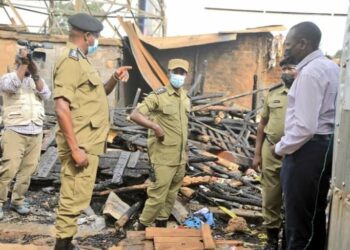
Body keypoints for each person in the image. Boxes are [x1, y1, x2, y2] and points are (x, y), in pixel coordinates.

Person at [53, 13, 131, 250]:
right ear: (87, 36)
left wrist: (114, 79)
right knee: (72, 199)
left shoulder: (83, 61)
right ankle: (61, 246)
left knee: (78, 197)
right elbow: (61, 107)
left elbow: (97, 95)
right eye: (96, 36)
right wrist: (75, 149)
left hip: (88, 142)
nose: (97, 40)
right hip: (81, 143)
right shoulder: (70, 61)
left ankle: (66, 243)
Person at [272, 22, 340, 250]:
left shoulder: (310, 73)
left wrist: (279, 148)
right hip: (322, 150)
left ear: (304, 43)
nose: (285, 50)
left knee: (299, 223)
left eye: (289, 45)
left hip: (307, 152)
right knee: (313, 216)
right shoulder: (331, 68)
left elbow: (305, 127)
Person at [130, 58, 190, 230]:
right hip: (163, 156)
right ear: (169, 73)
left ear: (186, 75)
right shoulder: (159, 96)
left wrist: (186, 153)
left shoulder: (185, 97)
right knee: (157, 196)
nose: (179, 75)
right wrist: (155, 126)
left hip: (180, 157)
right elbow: (135, 115)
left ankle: (161, 227)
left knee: (171, 195)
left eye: (182, 73)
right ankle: (141, 228)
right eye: (175, 72)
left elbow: (184, 126)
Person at [0, 48, 51, 220]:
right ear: (19, 63)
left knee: (28, 171)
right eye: (27, 62)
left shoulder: (36, 81)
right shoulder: (7, 78)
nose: (31, 65)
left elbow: (46, 95)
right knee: (9, 169)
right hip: (15, 130)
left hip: (35, 131)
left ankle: (17, 201)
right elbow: (13, 85)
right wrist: (24, 63)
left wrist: (35, 74)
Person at [252, 60, 297, 250]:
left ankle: (289, 238)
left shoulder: (304, 93)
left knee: (294, 197)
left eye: (291, 68)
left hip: (295, 153)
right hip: (270, 151)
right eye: (284, 68)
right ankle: (271, 240)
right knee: (271, 197)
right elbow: (262, 124)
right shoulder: (273, 93)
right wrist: (256, 154)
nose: (287, 72)